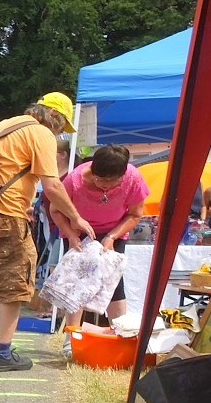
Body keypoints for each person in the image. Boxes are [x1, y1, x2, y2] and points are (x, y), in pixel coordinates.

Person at [0, 92, 94, 372]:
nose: (59, 133)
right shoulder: (41, 134)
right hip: (8, 216)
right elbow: (53, 186)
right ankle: (3, 353)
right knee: (16, 286)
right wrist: (76, 217)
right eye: (61, 126)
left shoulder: (3, 125)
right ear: (55, 118)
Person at [49, 144, 148, 356]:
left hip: (115, 231)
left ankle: (121, 337)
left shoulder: (133, 179)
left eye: (110, 181)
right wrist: (72, 235)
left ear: (122, 175)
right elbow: (55, 210)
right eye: (99, 179)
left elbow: (135, 214)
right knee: (77, 284)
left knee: (114, 283)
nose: (103, 185)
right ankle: (71, 339)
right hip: (78, 232)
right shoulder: (74, 180)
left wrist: (112, 236)